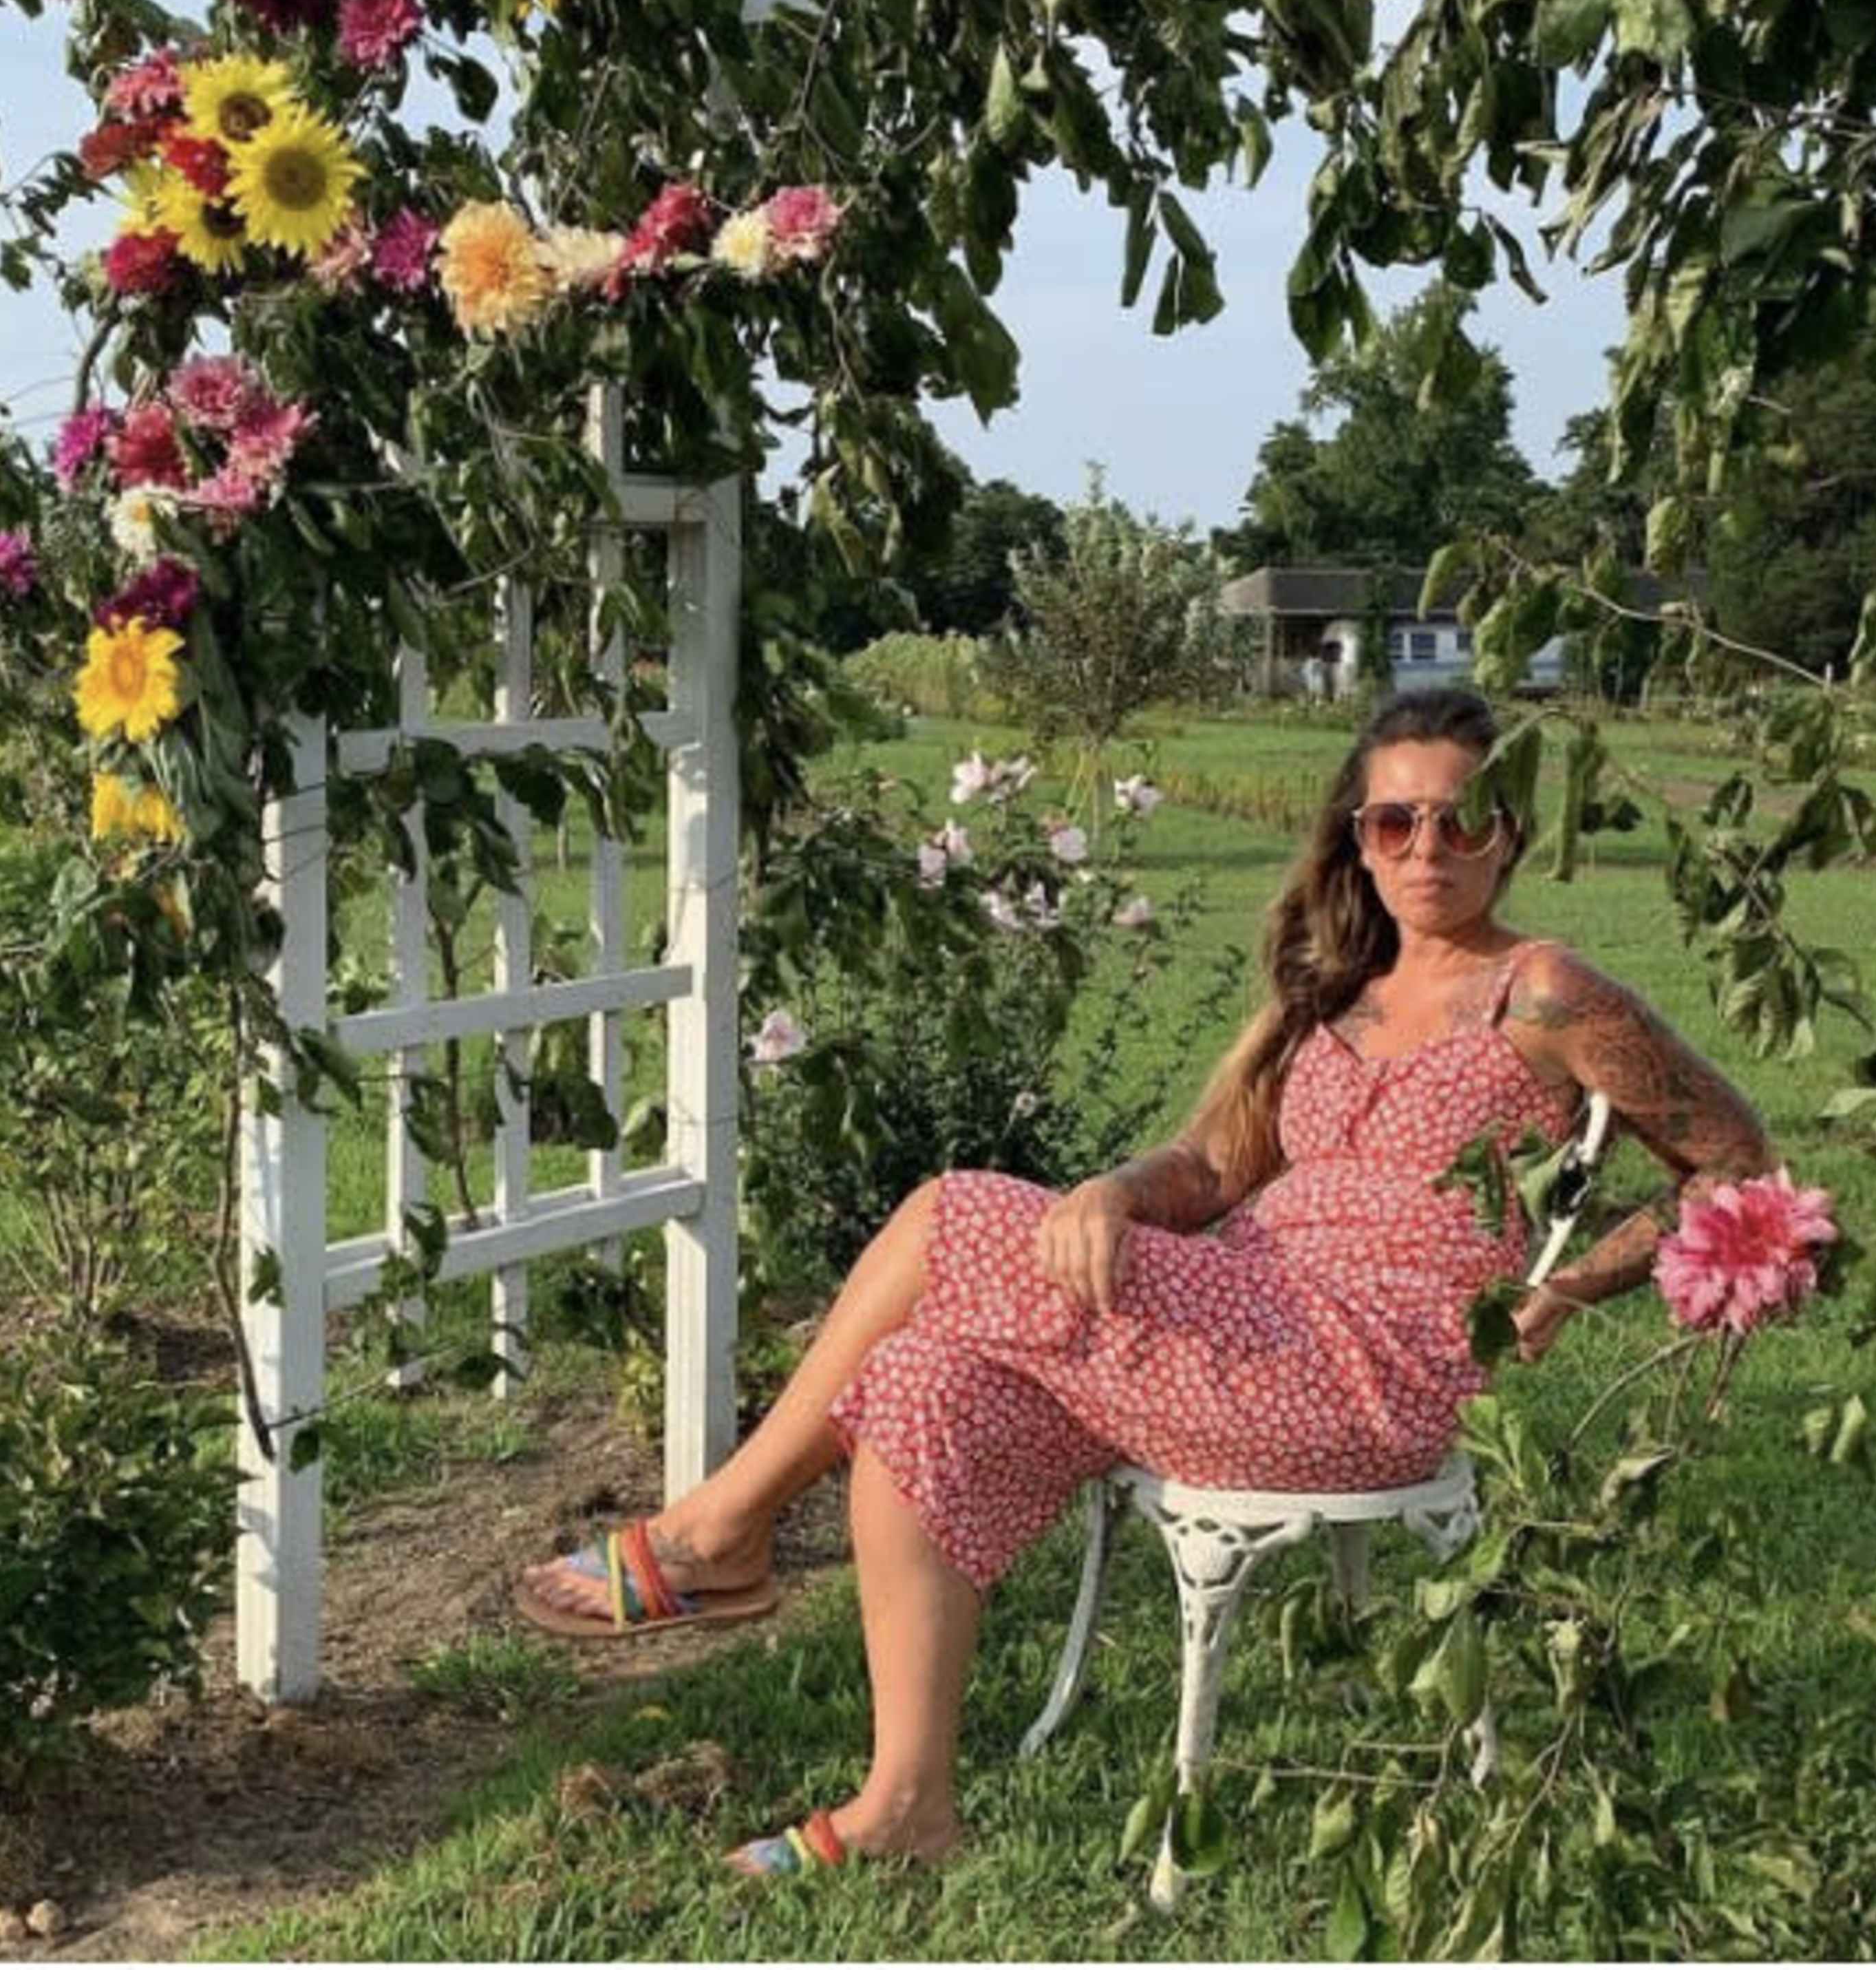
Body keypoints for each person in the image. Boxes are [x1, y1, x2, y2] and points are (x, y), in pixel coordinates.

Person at [516, 685, 1771, 1875]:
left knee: (952, 1210)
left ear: (1511, 835)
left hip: (1373, 1369)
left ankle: (717, 1530)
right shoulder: (1333, 996)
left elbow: (1739, 1168)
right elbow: (1212, 1167)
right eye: (1395, 819)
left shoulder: (1541, 991)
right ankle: (908, 1804)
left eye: (1460, 817)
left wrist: (1565, 1290)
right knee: (924, 1379)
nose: (1426, 846)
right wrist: (1114, 1194)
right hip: (1242, 1320)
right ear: (1360, 839)